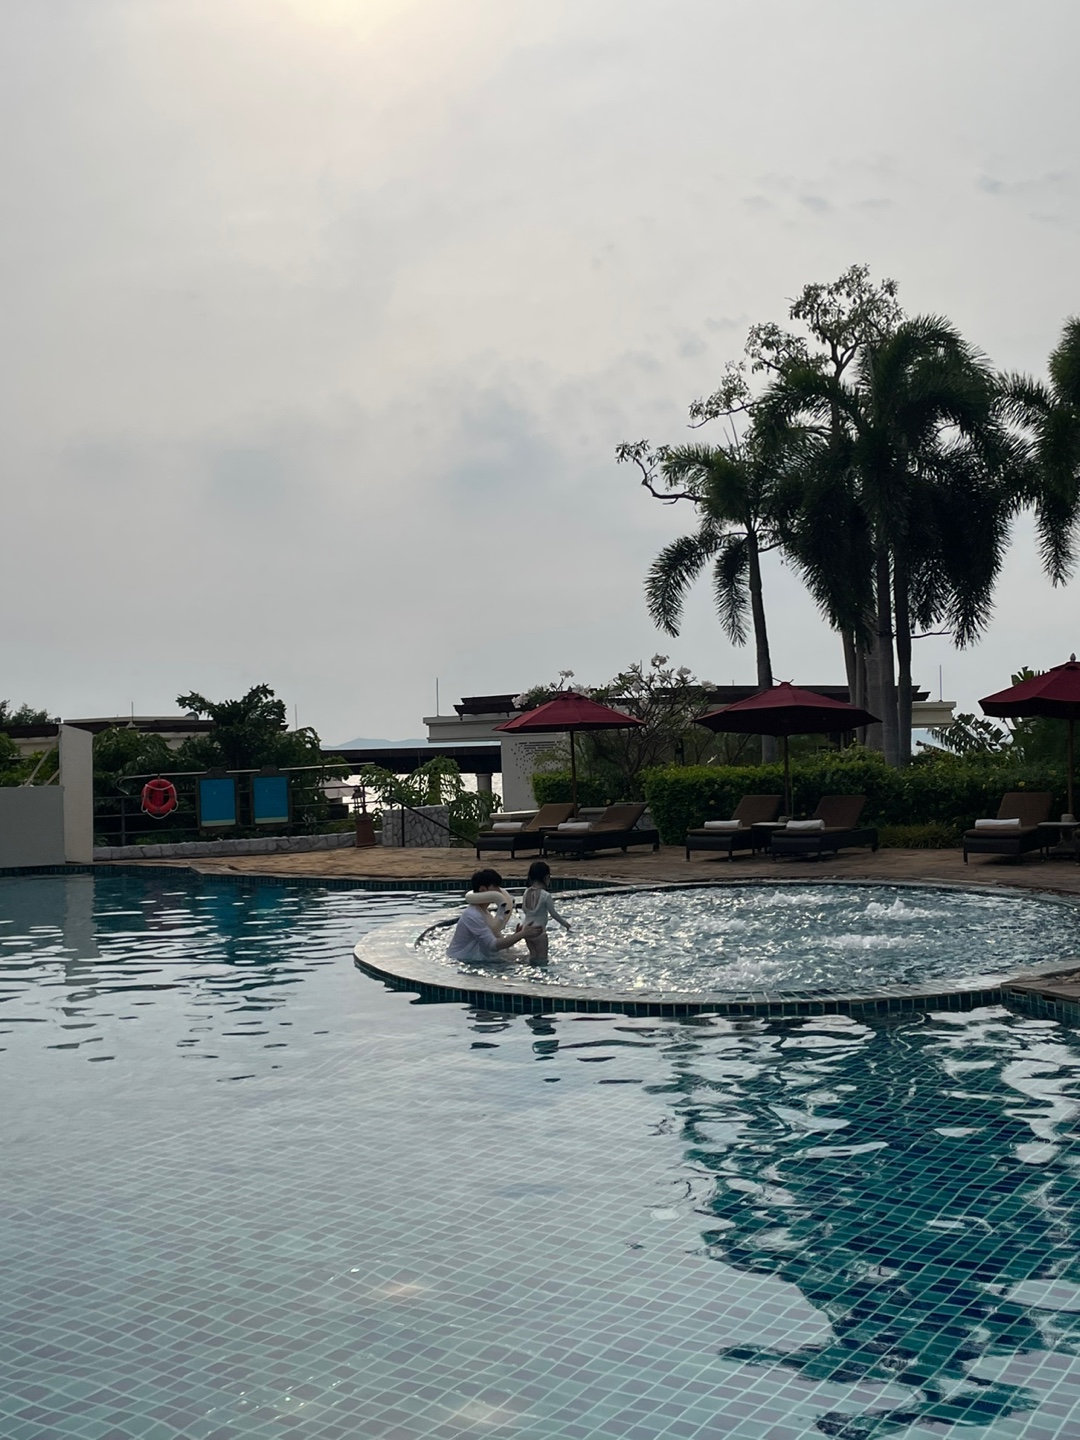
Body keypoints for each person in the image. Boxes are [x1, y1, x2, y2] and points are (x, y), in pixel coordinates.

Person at [446, 869, 539, 962]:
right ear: (483, 889)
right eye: (495, 886)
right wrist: (522, 934)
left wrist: (517, 935)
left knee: (527, 958)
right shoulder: (472, 915)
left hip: (476, 957)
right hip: (460, 960)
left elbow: (495, 940)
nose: (499, 891)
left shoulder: (484, 912)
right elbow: (492, 945)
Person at [521, 860, 571, 963]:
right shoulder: (545, 895)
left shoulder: (526, 892)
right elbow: (554, 914)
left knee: (533, 956)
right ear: (546, 877)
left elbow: (525, 909)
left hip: (526, 929)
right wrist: (565, 924)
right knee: (543, 959)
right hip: (539, 931)